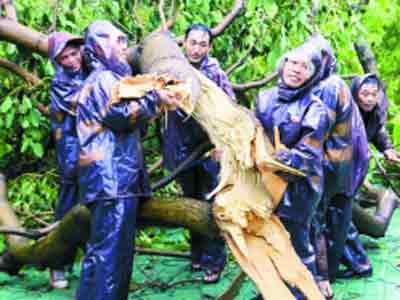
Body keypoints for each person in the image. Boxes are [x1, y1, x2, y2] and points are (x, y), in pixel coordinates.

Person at [75, 20, 177, 300]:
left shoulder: (100, 79)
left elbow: (128, 121)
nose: (123, 48)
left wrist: (151, 100)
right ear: (99, 45)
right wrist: (157, 98)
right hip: (113, 180)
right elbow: (120, 116)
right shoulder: (105, 79)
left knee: (101, 256)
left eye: (124, 41)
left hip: (110, 180)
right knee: (112, 262)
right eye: (117, 41)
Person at [160, 23, 235, 283]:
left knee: (211, 204)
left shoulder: (215, 74)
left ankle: (214, 260)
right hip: (180, 149)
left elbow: (229, 110)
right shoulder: (172, 67)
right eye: (193, 42)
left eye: (203, 44)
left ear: (209, 47)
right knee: (190, 201)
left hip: (206, 150)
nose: (196, 48)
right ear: (184, 42)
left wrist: (220, 146)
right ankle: (197, 254)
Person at [256, 45, 329, 300]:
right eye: (293, 63)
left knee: (297, 244)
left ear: (311, 75)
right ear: (282, 64)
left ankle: (302, 293)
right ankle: (272, 291)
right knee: (268, 241)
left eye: (304, 67)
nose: (296, 70)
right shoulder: (264, 98)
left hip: (300, 187)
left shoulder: (315, 107)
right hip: (265, 181)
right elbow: (255, 132)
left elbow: (310, 153)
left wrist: (284, 156)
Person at [338, 73, 400, 279]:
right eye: (365, 93)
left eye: (374, 94)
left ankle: (359, 265)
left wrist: (388, 149)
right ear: (355, 93)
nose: (370, 98)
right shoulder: (343, 111)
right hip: (338, 177)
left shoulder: (373, 115)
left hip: (352, 179)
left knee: (374, 227)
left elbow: (378, 132)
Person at [48, 31, 87, 289]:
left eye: (75, 53)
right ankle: (58, 264)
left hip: (92, 147)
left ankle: (88, 261)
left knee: (90, 207)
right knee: (67, 208)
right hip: (71, 149)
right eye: (65, 57)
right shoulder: (61, 82)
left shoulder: (89, 69)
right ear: (58, 61)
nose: (72, 60)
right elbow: (85, 102)